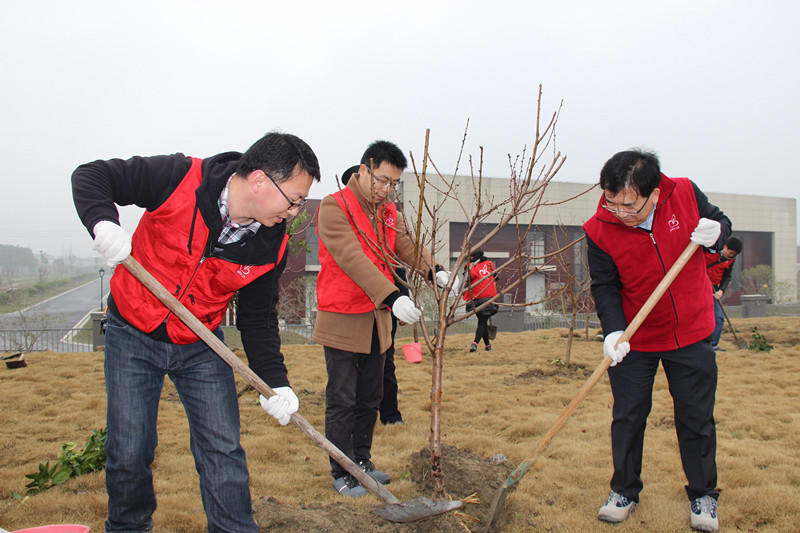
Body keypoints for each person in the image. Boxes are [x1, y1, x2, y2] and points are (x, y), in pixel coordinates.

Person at [71, 132, 320, 533]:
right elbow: (92, 175)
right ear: (259, 181)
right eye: (292, 199)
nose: (295, 211)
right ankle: (128, 527)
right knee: (130, 449)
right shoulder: (178, 177)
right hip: (133, 328)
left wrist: (276, 383)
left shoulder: (270, 245)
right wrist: (102, 220)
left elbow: (257, 322)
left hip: (201, 342)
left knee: (223, 449)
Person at [582, 149, 731, 532]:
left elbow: (719, 222)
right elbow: (605, 285)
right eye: (612, 202)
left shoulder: (683, 192)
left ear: (653, 192)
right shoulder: (599, 228)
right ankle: (624, 491)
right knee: (628, 417)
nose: (619, 212)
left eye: (629, 205)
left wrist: (718, 233)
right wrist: (614, 330)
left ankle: (703, 494)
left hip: (692, 330)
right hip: (637, 336)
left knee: (696, 417)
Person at [313, 141, 456, 497]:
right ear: (364, 169)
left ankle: (362, 460)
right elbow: (352, 258)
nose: (386, 189)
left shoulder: (389, 212)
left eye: (393, 183)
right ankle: (341, 470)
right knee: (342, 397)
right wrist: (393, 296)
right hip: (343, 315)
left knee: (370, 395)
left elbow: (406, 245)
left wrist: (434, 270)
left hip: (377, 318)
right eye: (381, 180)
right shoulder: (335, 207)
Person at [340, 164, 406, 426]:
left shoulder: (388, 218)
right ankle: (354, 416)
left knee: (384, 363)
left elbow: (397, 264)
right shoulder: (342, 215)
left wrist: (401, 298)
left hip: (384, 307)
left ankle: (390, 414)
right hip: (350, 307)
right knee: (349, 367)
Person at [705, 237, 742, 351]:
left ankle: (713, 345)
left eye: (734, 254)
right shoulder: (709, 249)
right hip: (698, 286)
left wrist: (721, 290)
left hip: (714, 290)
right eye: (730, 253)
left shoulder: (731, 260)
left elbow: (727, 276)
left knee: (719, 317)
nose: (731, 256)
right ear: (725, 247)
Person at [464, 249, 499, 352]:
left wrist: (462, 293)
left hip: (477, 298)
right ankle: (487, 346)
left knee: (482, 321)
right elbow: (496, 277)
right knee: (482, 321)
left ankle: (475, 344)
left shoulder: (471, 266)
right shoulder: (489, 264)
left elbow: (467, 281)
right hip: (490, 297)